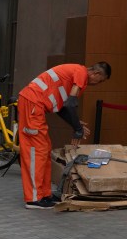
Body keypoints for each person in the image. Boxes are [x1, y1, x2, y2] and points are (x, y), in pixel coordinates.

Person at [17, 62, 111, 209]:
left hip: (34, 105)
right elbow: (71, 103)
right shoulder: (81, 72)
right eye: (101, 80)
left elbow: (62, 108)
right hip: (33, 105)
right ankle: (33, 199)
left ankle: (44, 195)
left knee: (44, 149)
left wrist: (76, 124)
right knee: (36, 151)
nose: (99, 84)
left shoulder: (73, 75)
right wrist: (77, 129)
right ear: (96, 74)